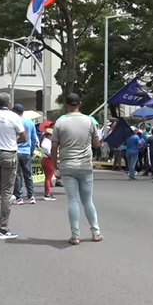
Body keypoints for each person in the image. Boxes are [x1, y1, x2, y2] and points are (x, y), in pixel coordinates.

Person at [52, 93, 102, 245]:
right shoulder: (89, 121)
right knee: (87, 200)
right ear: (79, 104)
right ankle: (95, 232)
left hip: (67, 166)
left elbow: (54, 147)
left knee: (73, 200)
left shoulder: (60, 123)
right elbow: (96, 144)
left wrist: (55, 166)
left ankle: (75, 235)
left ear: (66, 105)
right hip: (85, 166)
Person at [0, 92, 27, 239]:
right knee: (7, 192)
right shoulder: (13, 116)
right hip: (9, 154)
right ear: (9, 104)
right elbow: (23, 136)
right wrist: (13, 141)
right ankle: (3, 229)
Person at [11, 104, 38, 204]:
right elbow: (34, 139)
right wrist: (32, 150)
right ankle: (31, 196)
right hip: (26, 151)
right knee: (28, 174)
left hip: (15, 151)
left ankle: (19, 197)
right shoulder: (30, 122)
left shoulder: (13, 121)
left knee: (17, 175)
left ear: (15, 111)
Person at [40, 127, 56, 200]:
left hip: (44, 159)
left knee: (47, 177)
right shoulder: (48, 142)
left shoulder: (44, 141)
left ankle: (47, 192)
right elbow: (50, 152)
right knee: (49, 178)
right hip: (48, 160)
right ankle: (47, 193)